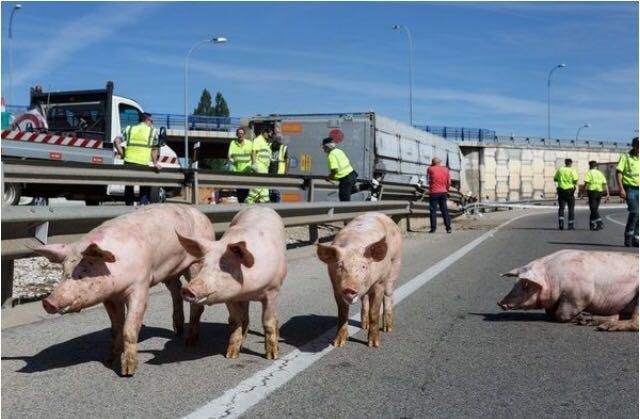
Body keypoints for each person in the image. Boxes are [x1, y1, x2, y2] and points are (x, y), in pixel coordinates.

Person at [113, 112, 161, 206]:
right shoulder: (153, 132)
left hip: (128, 162)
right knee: (144, 187)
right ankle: (143, 206)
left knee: (129, 186)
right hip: (143, 164)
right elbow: (154, 150)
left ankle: (128, 207)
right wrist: (155, 163)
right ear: (147, 120)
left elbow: (116, 141)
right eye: (151, 121)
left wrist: (121, 153)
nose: (152, 123)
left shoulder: (129, 129)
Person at [616, 137, 639, 247]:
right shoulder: (625, 157)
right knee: (634, 212)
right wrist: (621, 189)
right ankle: (628, 235)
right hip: (630, 189)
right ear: (633, 146)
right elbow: (619, 173)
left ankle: (636, 237)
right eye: (638, 145)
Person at [322, 137, 356, 202]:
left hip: (346, 179)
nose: (323, 149)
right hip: (353, 175)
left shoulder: (331, 155)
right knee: (347, 192)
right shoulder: (339, 151)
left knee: (344, 199)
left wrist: (329, 177)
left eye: (324, 147)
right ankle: (361, 187)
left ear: (327, 146)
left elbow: (334, 170)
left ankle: (346, 211)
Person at [245, 127, 273, 204]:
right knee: (256, 189)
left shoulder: (265, 142)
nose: (270, 136)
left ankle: (264, 206)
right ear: (264, 132)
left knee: (264, 192)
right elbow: (254, 152)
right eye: (269, 134)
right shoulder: (258, 140)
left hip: (264, 169)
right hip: (259, 167)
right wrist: (254, 164)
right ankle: (248, 203)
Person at [227, 127, 253, 203]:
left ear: (244, 134)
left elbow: (253, 155)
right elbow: (229, 155)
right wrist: (231, 162)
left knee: (246, 191)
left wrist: (253, 165)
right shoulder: (233, 143)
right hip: (237, 172)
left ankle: (245, 206)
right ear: (237, 135)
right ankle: (241, 206)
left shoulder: (249, 143)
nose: (240, 135)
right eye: (239, 134)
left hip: (247, 171)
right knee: (239, 192)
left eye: (242, 133)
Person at [427, 157, 452, 234]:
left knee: (433, 211)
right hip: (443, 192)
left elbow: (428, 181)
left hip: (433, 192)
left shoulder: (430, 169)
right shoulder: (446, 169)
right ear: (440, 162)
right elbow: (449, 182)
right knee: (444, 210)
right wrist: (446, 189)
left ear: (432, 162)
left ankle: (433, 229)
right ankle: (448, 228)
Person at [584, 160, 610, 231]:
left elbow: (586, 183)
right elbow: (605, 183)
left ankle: (599, 222)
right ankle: (592, 225)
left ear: (590, 166)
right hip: (599, 192)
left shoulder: (589, 173)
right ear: (596, 166)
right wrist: (608, 194)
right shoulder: (600, 173)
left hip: (592, 192)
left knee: (593, 209)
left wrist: (583, 192)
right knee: (594, 209)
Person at [554, 158, 578, 230]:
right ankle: (570, 225)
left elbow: (555, 179)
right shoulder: (572, 170)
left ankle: (561, 223)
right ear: (571, 163)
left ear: (565, 163)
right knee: (571, 208)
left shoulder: (560, 169)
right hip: (570, 191)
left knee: (561, 208)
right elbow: (575, 180)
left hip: (561, 191)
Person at [268, 137, 288, 203]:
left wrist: (286, 172)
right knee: (269, 193)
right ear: (274, 142)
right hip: (269, 173)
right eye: (277, 144)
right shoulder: (269, 146)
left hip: (279, 174)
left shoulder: (283, 148)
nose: (278, 145)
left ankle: (277, 208)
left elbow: (287, 161)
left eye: (279, 144)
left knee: (276, 192)